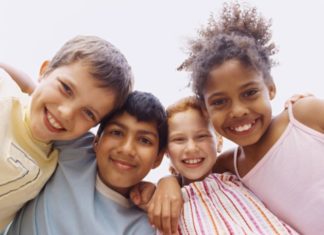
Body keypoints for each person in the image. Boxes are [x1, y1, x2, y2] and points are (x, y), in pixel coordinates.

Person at [177, 2, 324, 234]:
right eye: (219, 102)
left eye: (249, 93)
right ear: (205, 110)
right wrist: (166, 185)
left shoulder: (305, 116)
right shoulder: (228, 165)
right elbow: (187, 177)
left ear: (271, 88)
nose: (237, 111)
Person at [0, 35, 133, 230]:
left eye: (88, 113)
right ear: (44, 71)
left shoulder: (60, 157)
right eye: (66, 89)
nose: (66, 113)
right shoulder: (5, 95)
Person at [3, 91, 167, 235]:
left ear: (158, 157)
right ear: (96, 141)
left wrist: (170, 182)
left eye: (144, 140)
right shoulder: (77, 149)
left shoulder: (145, 226)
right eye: (116, 132)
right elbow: (37, 93)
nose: (127, 149)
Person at [162, 96, 298, 234]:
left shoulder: (239, 175)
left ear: (219, 141)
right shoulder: (165, 204)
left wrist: (297, 106)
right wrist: (166, 181)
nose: (191, 148)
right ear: (165, 150)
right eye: (179, 140)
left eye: (202, 136)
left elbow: (273, 140)